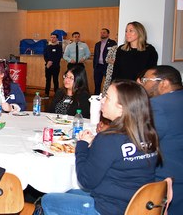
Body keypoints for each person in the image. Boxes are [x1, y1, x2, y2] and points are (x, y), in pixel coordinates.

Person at [41, 80, 161, 215]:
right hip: (139, 205)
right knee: (68, 192)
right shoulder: (149, 134)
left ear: (121, 107)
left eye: (107, 98)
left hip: (109, 208)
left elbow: (86, 180)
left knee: (48, 200)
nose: (102, 100)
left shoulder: (109, 139)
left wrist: (82, 144)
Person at [138, 65, 183, 214]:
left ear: (163, 83)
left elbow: (139, 140)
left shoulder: (157, 105)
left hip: (163, 180)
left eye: (146, 80)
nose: (142, 84)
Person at [92, 28, 117, 94]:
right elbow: (95, 56)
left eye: (104, 32)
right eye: (101, 32)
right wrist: (94, 66)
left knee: (108, 84)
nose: (102, 34)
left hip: (107, 66)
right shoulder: (97, 44)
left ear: (108, 34)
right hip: (98, 67)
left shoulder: (112, 43)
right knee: (97, 85)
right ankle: (96, 98)